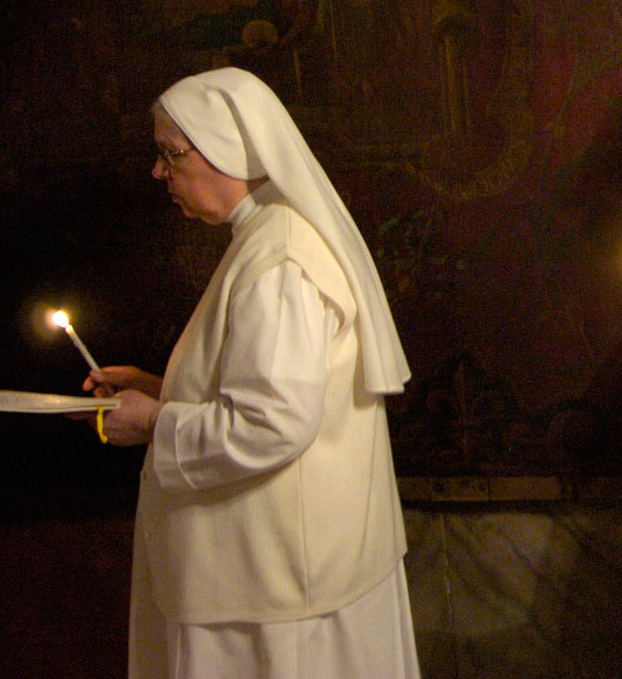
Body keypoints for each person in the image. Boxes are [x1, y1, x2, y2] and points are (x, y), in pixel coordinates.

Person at [81, 67, 420, 679]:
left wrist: (154, 423)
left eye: (171, 154)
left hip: (276, 595)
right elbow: (266, 387)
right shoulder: (269, 236)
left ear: (227, 149)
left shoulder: (280, 260)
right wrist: (160, 390)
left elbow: (272, 423)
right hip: (275, 574)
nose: (159, 171)